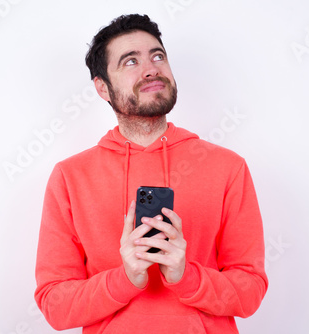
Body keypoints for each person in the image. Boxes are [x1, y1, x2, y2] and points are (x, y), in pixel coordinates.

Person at [34, 14, 268, 334]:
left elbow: (251, 290)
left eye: (158, 56)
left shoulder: (228, 167)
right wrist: (125, 279)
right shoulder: (70, 177)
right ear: (102, 87)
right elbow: (55, 305)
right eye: (130, 61)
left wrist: (185, 276)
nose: (151, 69)